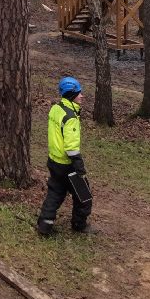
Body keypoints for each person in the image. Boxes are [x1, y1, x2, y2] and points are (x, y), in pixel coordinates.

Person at [36, 76, 92, 236]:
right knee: (84, 195)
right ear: (70, 95)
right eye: (79, 93)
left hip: (54, 161)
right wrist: (79, 167)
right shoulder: (71, 118)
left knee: (55, 193)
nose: (82, 96)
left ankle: (44, 225)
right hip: (68, 164)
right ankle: (79, 225)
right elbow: (71, 147)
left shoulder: (56, 109)